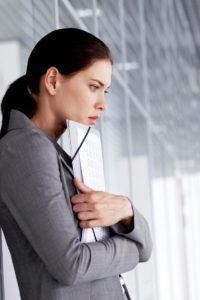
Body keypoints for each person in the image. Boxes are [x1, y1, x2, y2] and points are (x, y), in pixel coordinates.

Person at [0, 28, 152, 300]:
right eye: (94, 87)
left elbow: (146, 247)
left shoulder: (53, 151)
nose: (103, 104)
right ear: (53, 81)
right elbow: (71, 264)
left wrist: (127, 210)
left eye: (105, 90)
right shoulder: (25, 147)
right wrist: (132, 250)